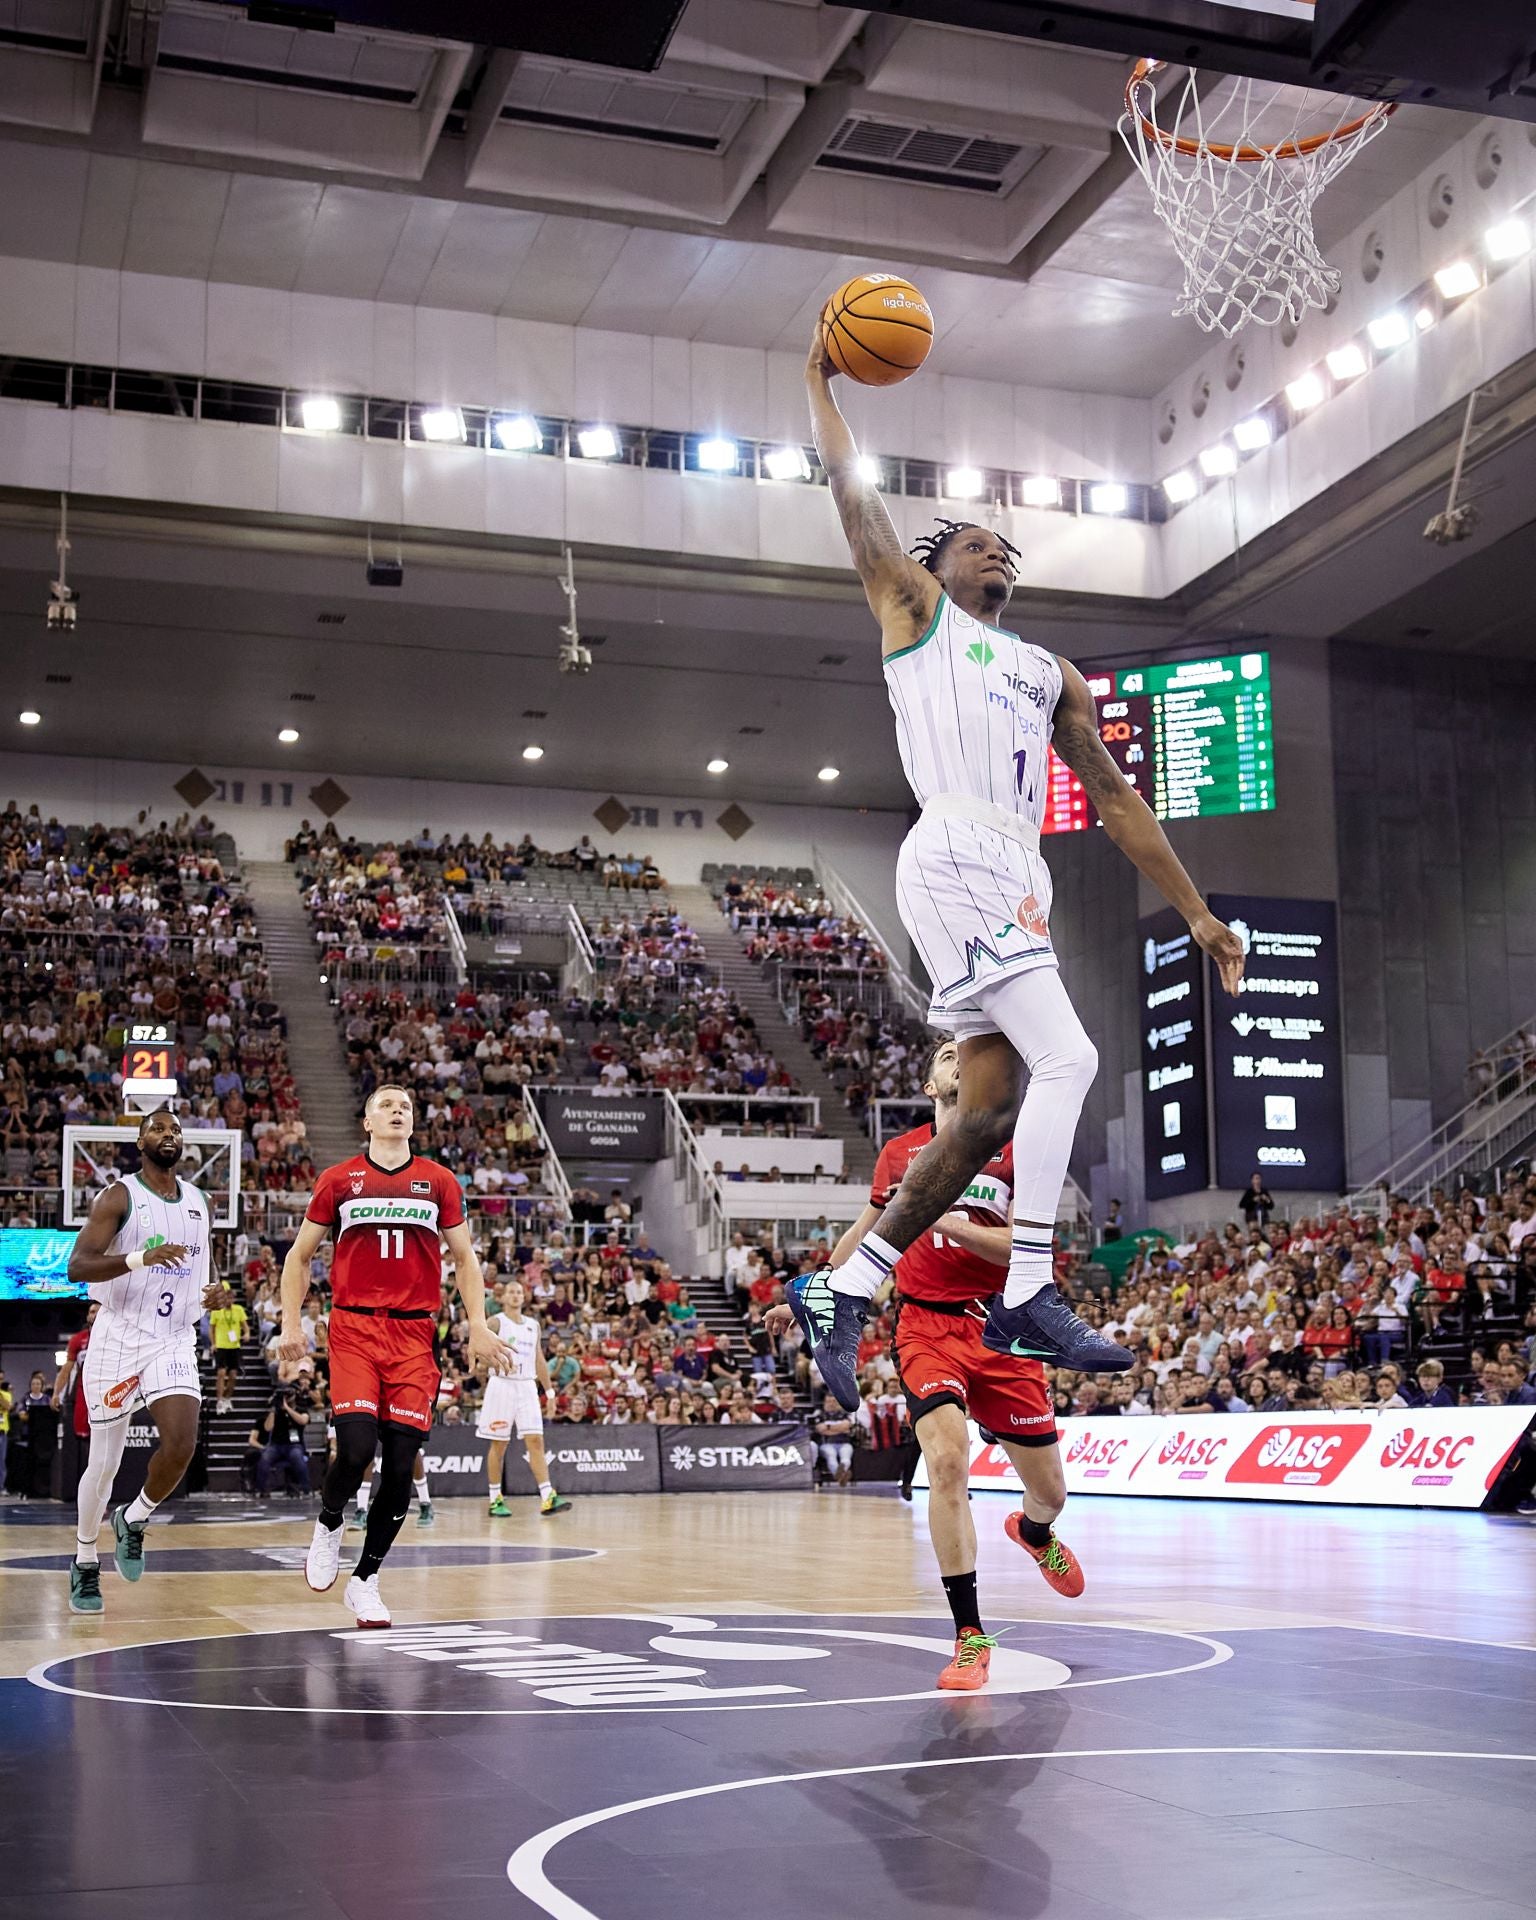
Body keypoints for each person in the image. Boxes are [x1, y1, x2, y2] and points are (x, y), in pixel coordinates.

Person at [794, 324, 1245, 1404]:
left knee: (988, 1113)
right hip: (953, 851)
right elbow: (856, 504)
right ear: (935, 565)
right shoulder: (917, 618)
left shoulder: (1049, 672)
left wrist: (1198, 913)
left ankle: (847, 1283)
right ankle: (1030, 1286)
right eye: (975, 542)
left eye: (1008, 546)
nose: (998, 550)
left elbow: (1120, 800)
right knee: (1073, 1061)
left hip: (1019, 870)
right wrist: (818, 382)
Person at [769, 1037, 1084, 1692]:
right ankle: (969, 1635)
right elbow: (863, 1237)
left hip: (1000, 1326)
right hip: (924, 1327)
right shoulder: (899, 1154)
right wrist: (809, 1297)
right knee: (945, 1460)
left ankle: (1032, 1531)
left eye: (967, 1052)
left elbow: (1026, 1253)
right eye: (946, 1051)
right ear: (930, 1082)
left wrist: (947, 1214)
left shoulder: (1016, 1152)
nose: (958, 1056)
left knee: (1051, 1491)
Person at [278, 1084, 511, 1628]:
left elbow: (465, 1258)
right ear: (367, 1122)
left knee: (402, 1466)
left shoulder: (439, 1182)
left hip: (414, 1336)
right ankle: (330, 1520)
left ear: (413, 1121)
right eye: (386, 1105)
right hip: (355, 1327)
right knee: (356, 1449)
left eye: (405, 1105)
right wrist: (292, 1322)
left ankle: (366, 1580)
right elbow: (300, 1255)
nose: (397, 1111)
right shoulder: (338, 1180)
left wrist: (477, 1324)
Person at [64, 1108, 227, 1614]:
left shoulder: (201, 1202)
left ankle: (134, 1518)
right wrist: (139, 1258)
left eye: (175, 1129)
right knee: (104, 1465)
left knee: (181, 1444)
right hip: (118, 1336)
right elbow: (77, 1266)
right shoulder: (118, 1196)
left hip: (173, 1338)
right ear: (140, 1140)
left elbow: (204, 1260)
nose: (169, 1135)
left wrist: (214, 1291)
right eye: (159, 1128)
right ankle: (85, 1560)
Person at [477, 1277, 571, 1517]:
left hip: (527, 1386)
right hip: (502, 1385)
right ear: (503, 1297)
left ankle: (547, 1496)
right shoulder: (495, 1322)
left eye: (519, 1292)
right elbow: (480, 1351)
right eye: (511, 1292)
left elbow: (539, 1359)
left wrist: (549, 1393)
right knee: (499, 1444)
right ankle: (495, 1498)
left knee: (536, 1441)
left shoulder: (533, 1324)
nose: (516, 1295)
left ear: (524, 1296)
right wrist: (490, 1362)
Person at [259, 1367, 313, 1495]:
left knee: (297, 1457)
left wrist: (287, 1408)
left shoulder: (301, 1408)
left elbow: (303, 1420)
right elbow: (267, 1428)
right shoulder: (276, 1410)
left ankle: (306, 1489)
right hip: (276, 1445)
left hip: (294, 1445)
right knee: (264, 1458)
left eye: (290, 1394)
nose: (288, 1396)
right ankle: (262, 1490)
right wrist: (274, 1408)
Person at [209, 1289, 248, 1413]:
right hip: (221, 1346)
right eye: (227, 1298)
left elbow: (245, 1327)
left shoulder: (239, 1310)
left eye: (231, 1298)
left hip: (234, 1346)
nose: (229, 1301)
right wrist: (213, 1343)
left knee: (233, 1375)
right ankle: (219, 1400)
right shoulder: (217, 1310)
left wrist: (247, 1334)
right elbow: (212, 1329)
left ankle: (227, 1398)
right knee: (221, 1373)